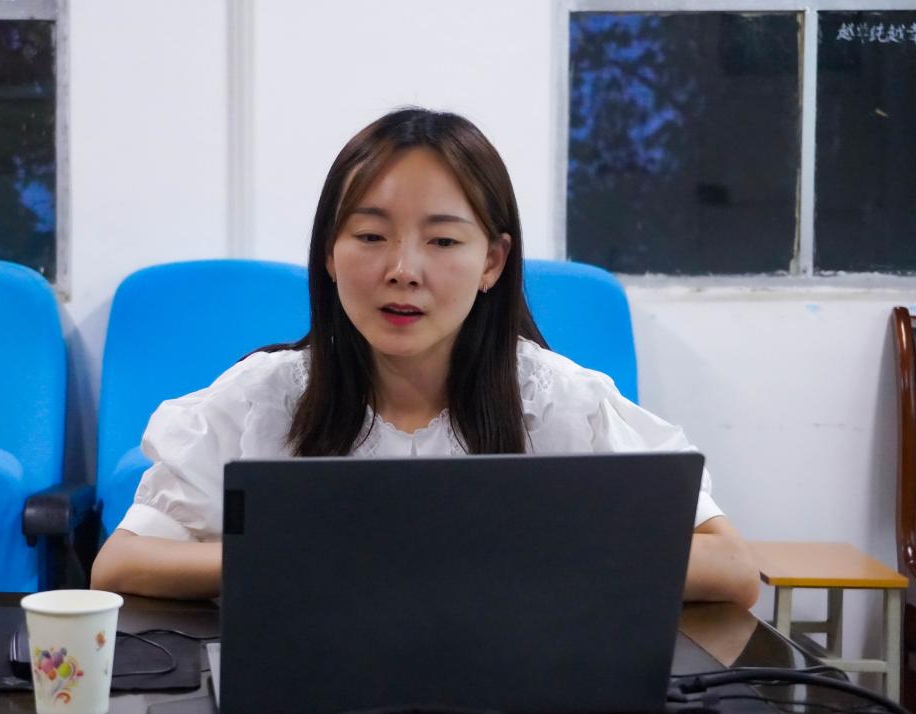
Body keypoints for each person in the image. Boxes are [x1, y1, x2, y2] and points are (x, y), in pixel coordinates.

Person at [91, 108, 759, 607]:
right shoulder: (264, 397)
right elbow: (119, 564)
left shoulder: (560, 403)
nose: (403, 270)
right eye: (371, 236)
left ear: (492, 261)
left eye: (442, 241)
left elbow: (731, 568)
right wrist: (294, 561)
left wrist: (515, 559)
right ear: (329, 253)